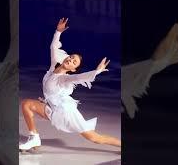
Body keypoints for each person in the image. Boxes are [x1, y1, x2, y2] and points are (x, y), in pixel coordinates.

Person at [19, 17, 121, 152]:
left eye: (74, 63)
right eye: (71, 57)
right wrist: (58, 32)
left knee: (95, 138)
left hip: (65, 113)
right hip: (53, 107)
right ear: (66, 58)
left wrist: (97, 71)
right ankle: (34, 137)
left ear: (72, 69)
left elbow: (79, 77)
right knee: (26, 104)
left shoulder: (64, 79)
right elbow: (53, 47)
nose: (71, 60)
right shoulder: (54, 65)